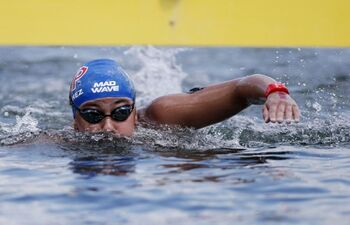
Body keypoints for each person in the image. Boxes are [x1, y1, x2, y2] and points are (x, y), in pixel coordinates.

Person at [69, 59, 300, 137]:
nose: (108, 127)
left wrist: (275, 92)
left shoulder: (163, 115)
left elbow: (240, 88)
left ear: (134, 113)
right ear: (75, 122)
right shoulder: (61, 142)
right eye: (93, 115)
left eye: (120, 112)